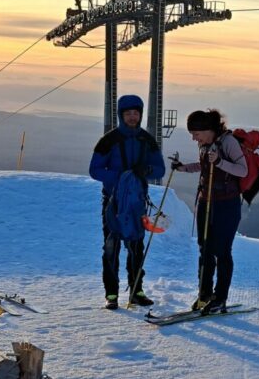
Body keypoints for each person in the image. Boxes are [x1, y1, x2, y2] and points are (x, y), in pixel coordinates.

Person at [89, 94, 166, 309]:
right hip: (113, 201)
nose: (132, 117)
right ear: (121, 115)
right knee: (111, 247)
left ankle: (136, 290)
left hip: (137, 202)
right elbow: (94, 169)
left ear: (140, 114)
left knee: (136, 246)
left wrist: (146, 171)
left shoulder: (147, 140)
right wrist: (122, 178)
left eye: (136, 113)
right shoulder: (109, 140)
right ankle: (111, 295)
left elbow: (160, 168)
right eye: (128, 113)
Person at [171, 109, 248, 313]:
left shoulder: (228, 142)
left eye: (195, 133)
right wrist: (182, 168)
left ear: (207, 129)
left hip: (227, 204)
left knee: (222, 251)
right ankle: (204, 295)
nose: (193, 138)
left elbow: (243, 170)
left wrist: (220, 162)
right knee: (205, 250)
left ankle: (219, 298)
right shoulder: (204, 144)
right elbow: (204, 165)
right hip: (206, 201)